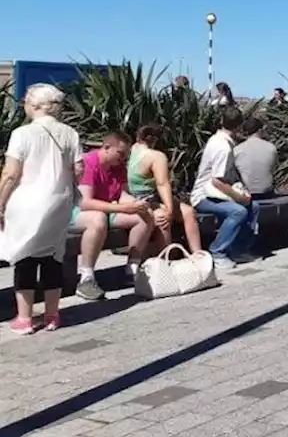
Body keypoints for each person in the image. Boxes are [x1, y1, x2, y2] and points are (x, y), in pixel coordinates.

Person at [0, 84, 82, 334]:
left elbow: (11, 174)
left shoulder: (22, 134)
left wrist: (0, 201)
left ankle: (24, 318)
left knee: (24, 257)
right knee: (53, 257)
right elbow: (78, 170)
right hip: (59, 201)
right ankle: (52, 315)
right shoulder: (70, 133)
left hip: (26, 201)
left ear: (34, 105)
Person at [72, 131, 156, 301]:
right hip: (74, 211)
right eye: (120, 153)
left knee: (144, 215)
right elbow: (85, 202)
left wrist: (135, 204)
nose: (124, 158)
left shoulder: (119, 166)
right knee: (98, 219)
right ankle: (86, 278)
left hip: (107, 208)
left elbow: (122, 195)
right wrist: (124, 208)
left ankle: (132, 268)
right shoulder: (89, 162)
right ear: (107, 148)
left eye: (126, 155)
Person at [191, 106, 259, 270]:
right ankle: (218, 251)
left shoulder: (216, 139)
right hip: (204, 196)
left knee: (253, 207)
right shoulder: (224, 147)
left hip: (214, 193)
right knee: (239, 211)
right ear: (238, 126)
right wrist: (239, 197)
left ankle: (239, 249)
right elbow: (217, 181)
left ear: (221, 121)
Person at [129, 124, 204, 257]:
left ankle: (197, 254)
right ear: (156, 140)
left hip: (132, 198)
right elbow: (162, 183)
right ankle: (165, 259)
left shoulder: (130, 151)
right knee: (164, 217)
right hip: (145, 199)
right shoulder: (156, 156)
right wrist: (169, 209)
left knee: (188, 212)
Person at [234, 116, 278, 201]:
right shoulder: (271, 148)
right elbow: (272, 169)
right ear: (260, 130)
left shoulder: (237, 150)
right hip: (267, 194)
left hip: (246, 194)